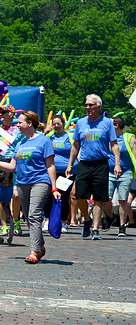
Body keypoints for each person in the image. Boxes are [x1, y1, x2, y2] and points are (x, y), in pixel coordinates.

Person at [0, 111, 60, 264]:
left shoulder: (44, 141)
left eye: (20, 122)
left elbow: (50, 165)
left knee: (34, 215)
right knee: (28, 217)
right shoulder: (20, 143)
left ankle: (34, 251)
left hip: (40, 182)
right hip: (22, 183)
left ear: (30, 123)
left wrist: (54, 188)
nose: (17, 125)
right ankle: (40, 246)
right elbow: (12, 166)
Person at [66, 94, 121, 240]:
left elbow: (114, 144)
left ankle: (96, 229)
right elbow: (75, 145)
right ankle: (87, 220)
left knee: (99, 197)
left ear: (98, 107)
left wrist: (117, 164)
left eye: (91, 105)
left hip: (101, 164)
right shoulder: (81, 123)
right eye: (86, 105)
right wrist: (70, 164)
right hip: (84, 163)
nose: (87, 107)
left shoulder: (107, 123)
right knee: (80, 196)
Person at [0, 105, 25, 237]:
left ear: (11, 114)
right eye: (0, 112)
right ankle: (3, 225)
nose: (1, 114)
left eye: (4, 112)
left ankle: (15, 221)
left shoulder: (18, 130)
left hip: (14, 163)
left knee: (15, 194)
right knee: (0, 195)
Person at [43, 114, 77, 233]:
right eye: (54, 124)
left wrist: (71, 166)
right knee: (48, 195)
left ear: (63, 124)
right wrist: (45, 133)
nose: (56, 126)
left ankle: (63, 222)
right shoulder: (49, 137)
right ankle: (47, 220)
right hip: (51, 171)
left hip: (66, 172)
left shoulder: (70, 137)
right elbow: (38, 144)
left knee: (63, 195)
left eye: (58, 123)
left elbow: (76, 151)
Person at [108, 117, 136, 237]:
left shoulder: (129, 138)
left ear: (116, 126)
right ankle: (110, 217)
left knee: (123, 200)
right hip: (109, 172)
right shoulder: (107, 137)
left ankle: (122, 226)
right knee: (106, 198)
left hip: (126, 172)